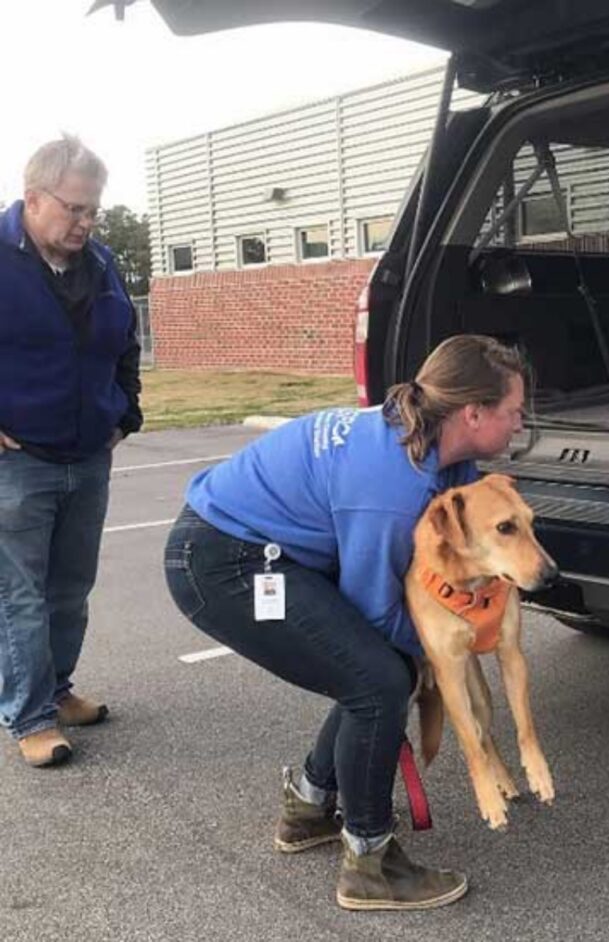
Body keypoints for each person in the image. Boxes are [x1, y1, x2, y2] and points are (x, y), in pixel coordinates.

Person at [163, 335, 527, 912]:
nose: (519, 425)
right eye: (513, 413)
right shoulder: (391, 484)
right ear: (474, 413)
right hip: (221, 563)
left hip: (264, 551)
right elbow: (373, 607)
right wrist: (438, 649)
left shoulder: (448, 458)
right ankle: (371, 863)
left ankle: (309, 805)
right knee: (378, 680)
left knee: (377, 668)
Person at [0, 136, 143, 768]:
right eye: (75, 209)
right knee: (21, 595)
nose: (87, 222)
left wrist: (127, 412)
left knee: (69, 589)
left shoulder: (103, 265)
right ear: (33, 199)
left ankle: (56, 692)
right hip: (19, 460)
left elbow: (125, 346)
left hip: (88, 455)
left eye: (94, 211)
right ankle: (29, 717)